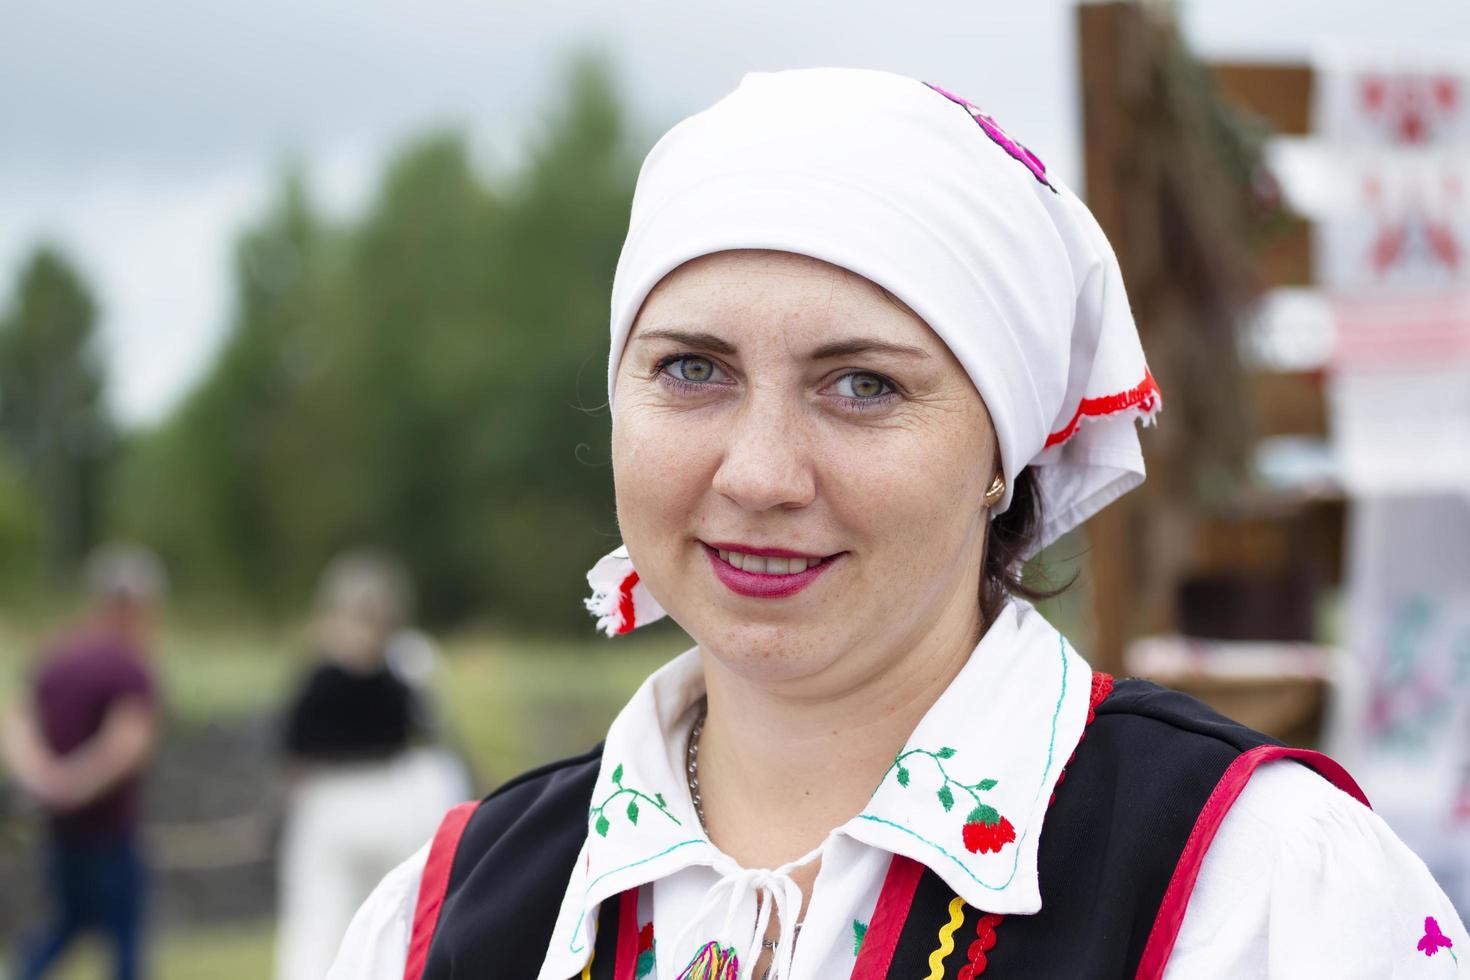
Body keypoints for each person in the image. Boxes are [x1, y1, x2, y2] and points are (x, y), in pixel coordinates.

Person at [329, 69, 1467, 979]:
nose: (761, 472)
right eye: (691, 368)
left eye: (862, 383)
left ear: (1000, 451)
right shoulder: (443, 917)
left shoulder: (1257, 888)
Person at [275, 549, 469, 980]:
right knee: (388, 922)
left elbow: (293, 753)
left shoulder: (322, 677)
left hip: (338, 802)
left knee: (323, 925)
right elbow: (427, 735)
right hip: (383, 799)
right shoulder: (399, 676)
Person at [2, 544, 166, 980]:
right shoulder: (131, 666)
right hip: (109, 828)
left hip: (61, 830)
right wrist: (72, 785)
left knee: (67, 926)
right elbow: (127, 746)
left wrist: (41, 779)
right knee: (126, 940)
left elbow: (17, 723)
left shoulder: (57, 653)